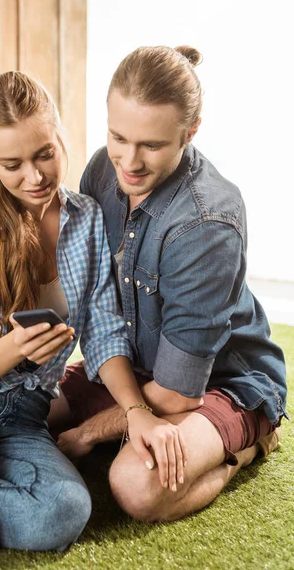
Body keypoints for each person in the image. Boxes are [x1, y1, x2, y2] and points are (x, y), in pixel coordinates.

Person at [0, 71, 182, 570]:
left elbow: (104, 331)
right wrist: (18, 348)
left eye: (45, 153)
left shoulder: (87, 217)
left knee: (64, 510)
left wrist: (137, 413)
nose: (35, 177)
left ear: (60, 136)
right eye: (12, 164)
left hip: (24, 417)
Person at [50, 45, 288, 522]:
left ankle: (250, 443)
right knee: (21, 406)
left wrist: (89, 433)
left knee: (136, 485)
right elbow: (97, 299)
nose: (130, 163)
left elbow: (180, 394)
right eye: (119, 136)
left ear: (190, 132)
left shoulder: (208, 223)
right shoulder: (102, 168)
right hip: (138, 369)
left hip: (220, 384)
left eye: (152, 146)